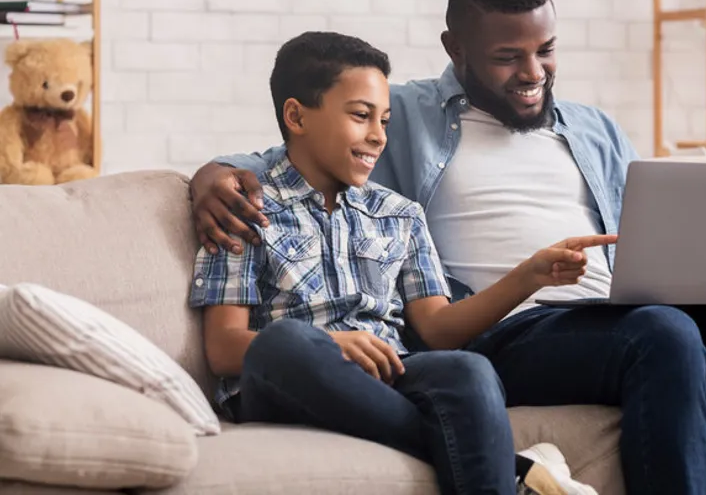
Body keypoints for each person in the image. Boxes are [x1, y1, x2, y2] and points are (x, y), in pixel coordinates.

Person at [190, 0, 706, 495]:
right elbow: (291, 155)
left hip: (618, 317)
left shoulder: (594, 129)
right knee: (662, 331)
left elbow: (650, 231)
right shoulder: (405, 115)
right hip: (508, 333)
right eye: (508, 56)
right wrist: (212, 176)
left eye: (546, 51)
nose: (533, 73)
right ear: (457, 49)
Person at [188, 30, 606, 495]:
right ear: (296, 116)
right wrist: (334, 346)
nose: (378, 136)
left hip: (387, 376)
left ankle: (499, 471)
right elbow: (224, 348)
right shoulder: (243, 207)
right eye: (361, 116)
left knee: (466, 371)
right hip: (287, 379)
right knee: (285, 342)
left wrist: (529, 275)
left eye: (384, 120)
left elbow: (439, 328)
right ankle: (513, 467)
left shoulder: (400, 215)